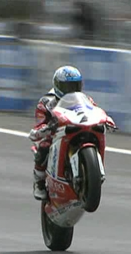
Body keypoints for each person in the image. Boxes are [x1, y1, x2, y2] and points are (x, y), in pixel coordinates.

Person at [28, 65, 116, 200]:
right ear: (58, 86)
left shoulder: (86, 99)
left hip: (79, 128)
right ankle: (39, 183)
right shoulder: (46, 102)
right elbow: (40, 122)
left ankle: (93, 171)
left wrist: (106, 120)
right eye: (67, 87)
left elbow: (94, 110)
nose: (71, 91)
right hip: (57, 134)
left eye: (75, 86)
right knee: (44, 147)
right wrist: (44, 129)